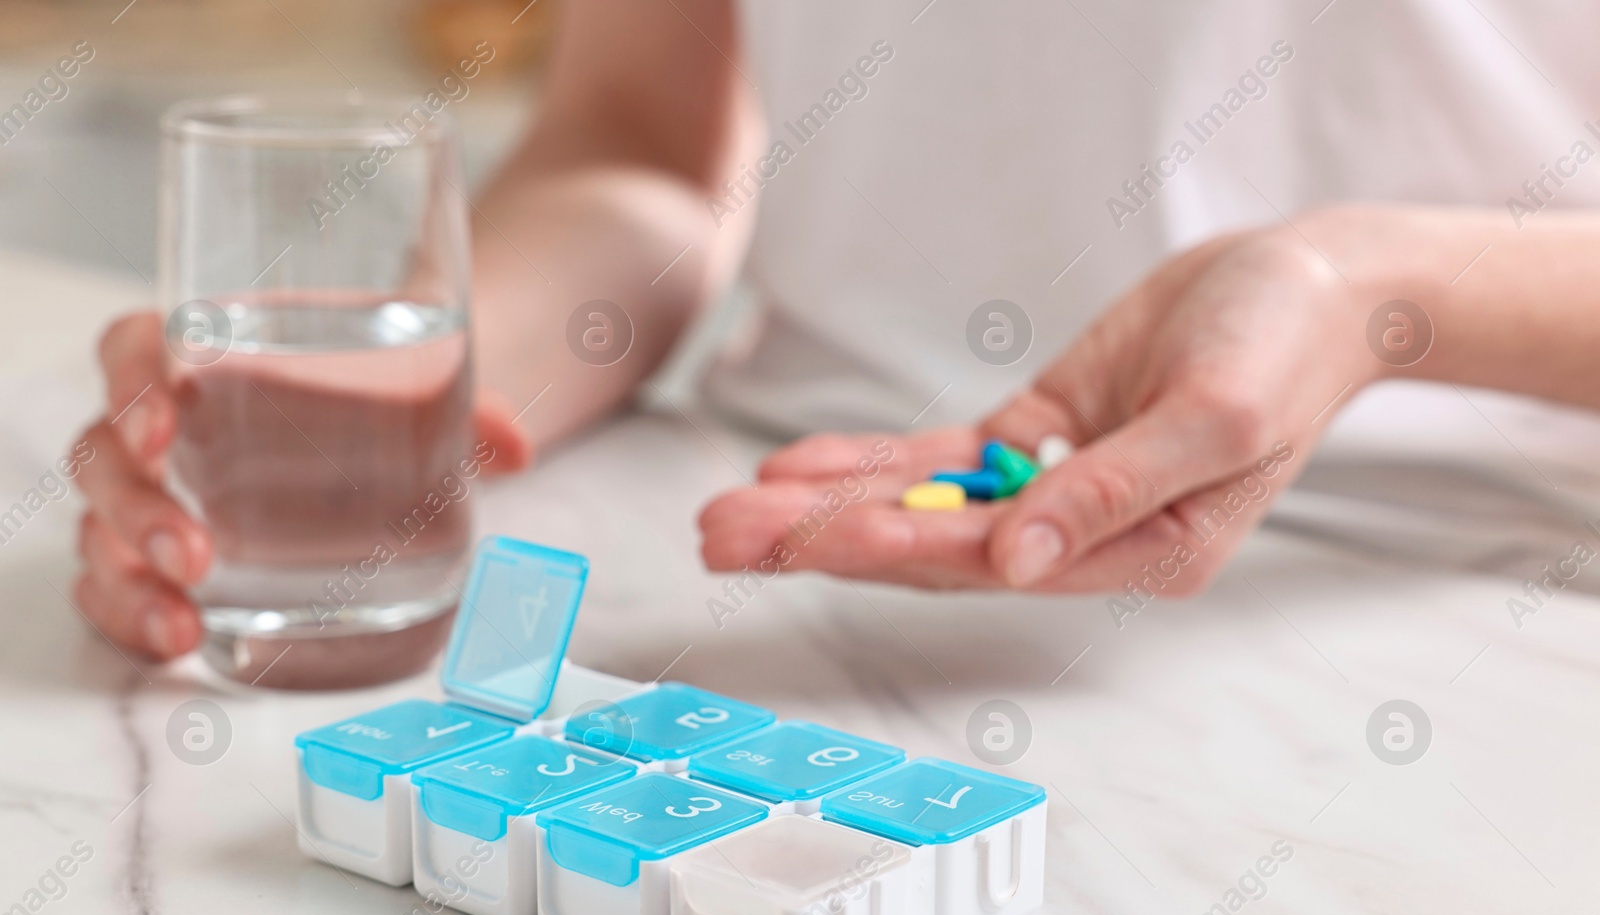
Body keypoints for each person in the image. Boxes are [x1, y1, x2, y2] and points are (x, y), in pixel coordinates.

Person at [72, 0, 1600, 659]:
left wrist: (1369, 293)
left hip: (1448, 603)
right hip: (768, 556)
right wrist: (422, 392)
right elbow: (641, 148)